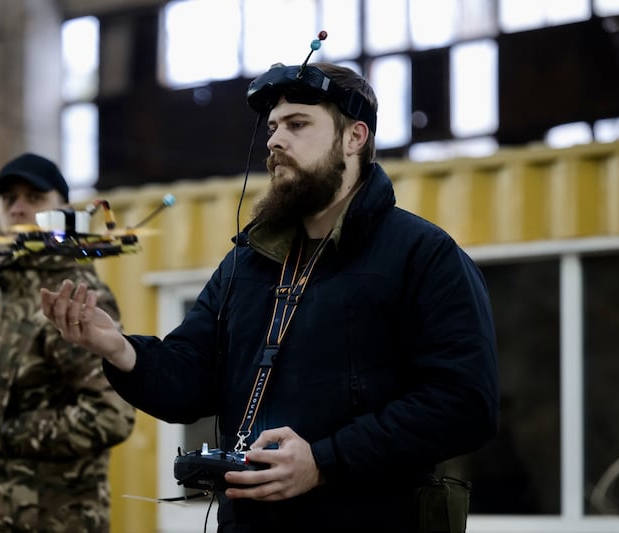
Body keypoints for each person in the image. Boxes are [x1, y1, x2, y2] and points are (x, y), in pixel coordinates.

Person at [42, 60, 499, 532]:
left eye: (297, 125)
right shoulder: (247, 262)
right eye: (273, 127)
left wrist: (324, 460)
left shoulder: (422, 254)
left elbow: (464, 403)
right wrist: (120, 349)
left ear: (355, 137)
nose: (275, 141)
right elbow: (190, 379)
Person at [0, 152, 135, 532]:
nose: (17, 208)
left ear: (64, 210)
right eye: (8, 199)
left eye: (34, 197)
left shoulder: (74, 297)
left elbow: (111, 414)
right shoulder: (14, 294)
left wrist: (8, 433)